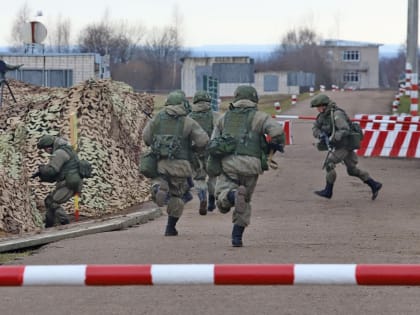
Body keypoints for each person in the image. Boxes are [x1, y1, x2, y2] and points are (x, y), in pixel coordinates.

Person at [210, 85, 285, 247]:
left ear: (236, 97)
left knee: (222, 195)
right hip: (252, 166)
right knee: (245, 200)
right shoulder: (260, 117)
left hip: (229, 165)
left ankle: (231, 195)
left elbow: (213, 142)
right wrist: (273, 147)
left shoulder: (224, 118)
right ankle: (237, 237)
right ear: (254, 98)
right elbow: (277, 132)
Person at [143, 90, 209, 236]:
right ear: (183, 104)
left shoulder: (158, 119)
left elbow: (146, 138)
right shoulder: (188, 121)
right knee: (177, 197)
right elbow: (203, 141)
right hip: (181, 166)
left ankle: (158, 187)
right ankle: (170, 228)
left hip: (160, 164)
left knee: (158, 181)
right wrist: (194, 148)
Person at [311, 93, 382, 200]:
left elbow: (344, 129)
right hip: (340, 145)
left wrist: (333, 138)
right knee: (352, 170)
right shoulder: (322, 116)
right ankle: (374, 184)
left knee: (329, 164)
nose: (317, 109)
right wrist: (320, 134)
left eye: (318, 107)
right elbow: (315, 128)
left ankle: (328, 191)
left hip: (344, 145)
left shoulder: (336, 114)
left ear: (324, 105)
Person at [32, 134, 83, 228]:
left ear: (49, 147)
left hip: (69, 183)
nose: (45, 151)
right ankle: (49, 224)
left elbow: (52, 171)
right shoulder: (65, 149)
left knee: (52, 202)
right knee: (48, 201)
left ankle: (65, 223)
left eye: (45, 149)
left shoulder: (60, 153)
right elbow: (57, 173)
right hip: (69, 181)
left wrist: (42, 170)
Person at [188, 90, 221, 215]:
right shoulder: (215, 115)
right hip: (211, 153)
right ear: (209, 101)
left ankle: (202, 197)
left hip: (195, 153)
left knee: (199, 178)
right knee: (213, 177)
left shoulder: (189, 118)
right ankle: (212, 201)